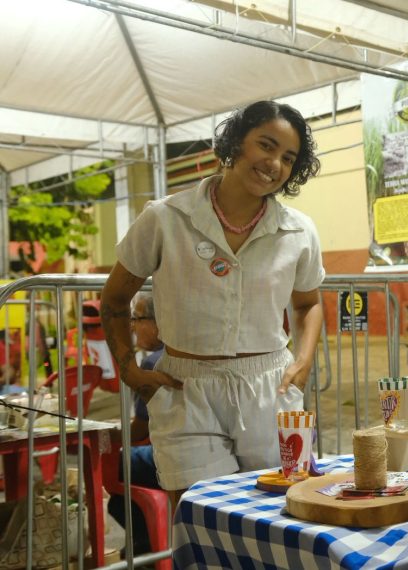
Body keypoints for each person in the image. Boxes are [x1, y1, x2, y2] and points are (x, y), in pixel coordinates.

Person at [100, 100, 325, 508]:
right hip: (184, 389)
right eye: (266, 145)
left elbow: (308, 304)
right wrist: (129, 369)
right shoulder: (165, 218)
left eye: (288, 158)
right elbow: (115, 298)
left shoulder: (299, 231)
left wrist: (304, 360)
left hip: (270, 388)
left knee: (278, 516)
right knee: (198, 521)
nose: (275, 163)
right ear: (236, 142)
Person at [107, 292, 163, 554]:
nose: (131, 326)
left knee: (114, 464)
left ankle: (148, 545)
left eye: (137, 318)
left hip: (169, 456)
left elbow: (140, 428)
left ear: (158, 322)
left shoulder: (153, 363)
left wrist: (107, 436)